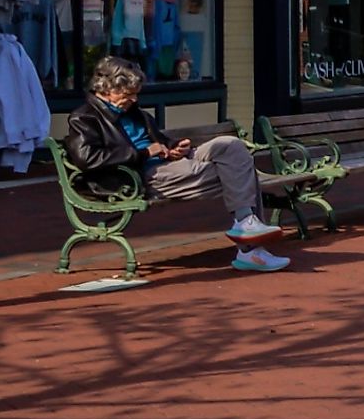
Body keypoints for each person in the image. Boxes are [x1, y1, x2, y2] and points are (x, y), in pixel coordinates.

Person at [56, 56, 289, 273]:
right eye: (128, 94)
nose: (134, 99)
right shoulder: (84, 118)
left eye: (136, 93)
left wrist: (174, 146)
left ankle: (246, 223)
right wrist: (143, 153)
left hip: (167, 164)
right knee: (240, 171)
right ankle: (251, 250)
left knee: (232, 146)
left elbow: (158, 140)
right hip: (139, 176)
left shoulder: (135, 112)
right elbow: (88, 158)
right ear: (107, 89)